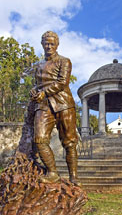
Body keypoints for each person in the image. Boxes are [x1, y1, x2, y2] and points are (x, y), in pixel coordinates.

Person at [30, 31, 79, 185]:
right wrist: (34, 91)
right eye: (46, 43)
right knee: (40, 139)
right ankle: (53, 172)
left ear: (57, 45)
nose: (49, 46)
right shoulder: (38, 65)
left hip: (63, 104)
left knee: (69, 142)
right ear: (42, 44)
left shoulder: (64, 61)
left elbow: (62, 82)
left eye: (52, 43)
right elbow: (37, 85)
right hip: (43, 105)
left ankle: (74, 177)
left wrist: (44, 92)